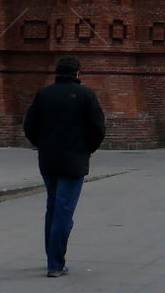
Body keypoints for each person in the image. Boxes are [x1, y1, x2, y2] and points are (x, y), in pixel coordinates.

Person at [22, 55, 105, 277]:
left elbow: (29, 125)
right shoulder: (86, 95)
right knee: (64, 211)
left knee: (52, 206)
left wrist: (40, 144)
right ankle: (55, 263)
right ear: (77, 74)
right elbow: (98, 128)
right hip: (74, 161)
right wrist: (88, 148)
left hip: (48, 159)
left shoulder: (44, 94)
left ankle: (51, 255)